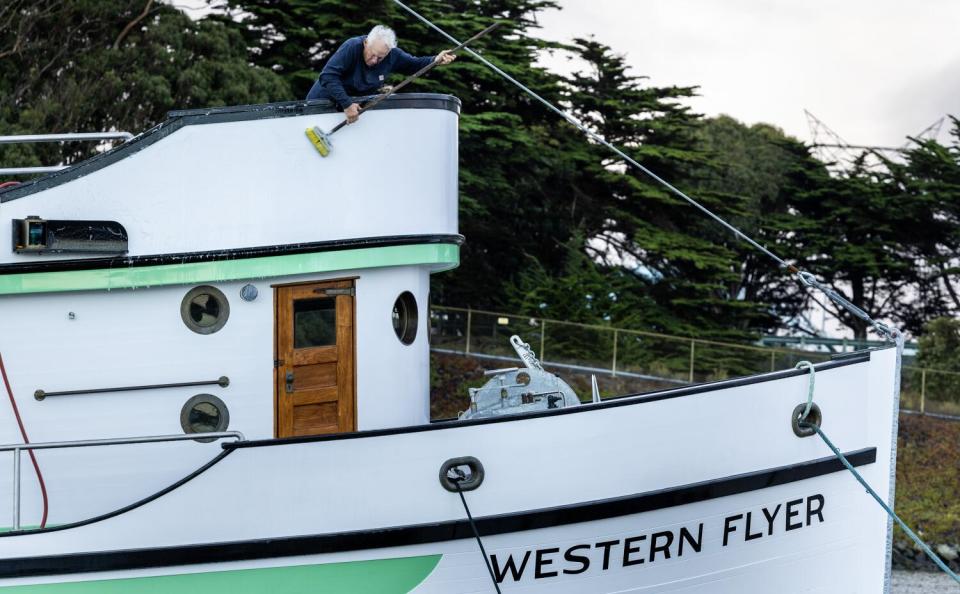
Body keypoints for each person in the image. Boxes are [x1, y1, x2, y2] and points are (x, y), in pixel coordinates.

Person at [305, 25, 456, 124]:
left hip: (351, 112)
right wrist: (347, 104)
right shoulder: (352, 46)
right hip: (320, 106)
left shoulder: (392, 54)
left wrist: (435, 60)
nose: (374, 60)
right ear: (366, 43)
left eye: (380, 58)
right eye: (372, 54)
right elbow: (328, 76)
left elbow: (414, 65)